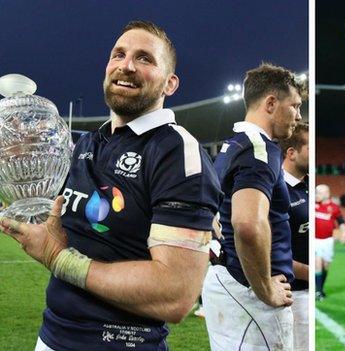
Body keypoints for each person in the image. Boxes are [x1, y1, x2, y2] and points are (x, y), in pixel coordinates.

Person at [0, 21, 222, 350]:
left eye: (145, 58)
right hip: (52, 336)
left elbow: (175, 294)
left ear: (170, 84)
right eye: (118, 54)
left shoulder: (176, 153)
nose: (127, 65)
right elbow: (61, 220)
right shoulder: (90, 141)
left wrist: (60, 259)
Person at [202, 63, 306, 350]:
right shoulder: (259, 149)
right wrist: (265, 289)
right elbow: (248, 224)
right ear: (271, 104)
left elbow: (211, 208)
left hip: (229, 281)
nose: (297, 116)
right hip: (249, 292)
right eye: (294, 106)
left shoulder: (234, 144)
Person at [279, 122, 309, 351]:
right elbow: (270, 251)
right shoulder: (276, 191)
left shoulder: (308, 185)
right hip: (295, 295)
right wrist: (310, 273)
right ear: (292, 153)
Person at [314, 184, 345, 300]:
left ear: (326, 194)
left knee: (325, 266)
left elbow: (341, 222)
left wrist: (344, 234)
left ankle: (320, 289)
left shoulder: (334, 208)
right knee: (317, 263)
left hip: (328, 241)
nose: (316, 195)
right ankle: (317, 292)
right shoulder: (312, 205)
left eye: (318, 193)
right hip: (314, 240)